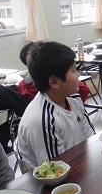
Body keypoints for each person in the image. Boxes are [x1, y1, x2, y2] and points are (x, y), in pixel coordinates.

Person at [16, 41, 95, 169]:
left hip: (81, 165)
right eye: (74, 70)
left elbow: (90, 137)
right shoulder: (42, 119)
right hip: (56, 182)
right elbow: (56, 170)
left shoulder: (73, 98)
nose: (78, 75)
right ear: (54, 81)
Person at [17, 42, 90, 102]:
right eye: (74, 70)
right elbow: (84, 90)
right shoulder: (45, 115)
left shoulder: (22, 85)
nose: (78, 74)